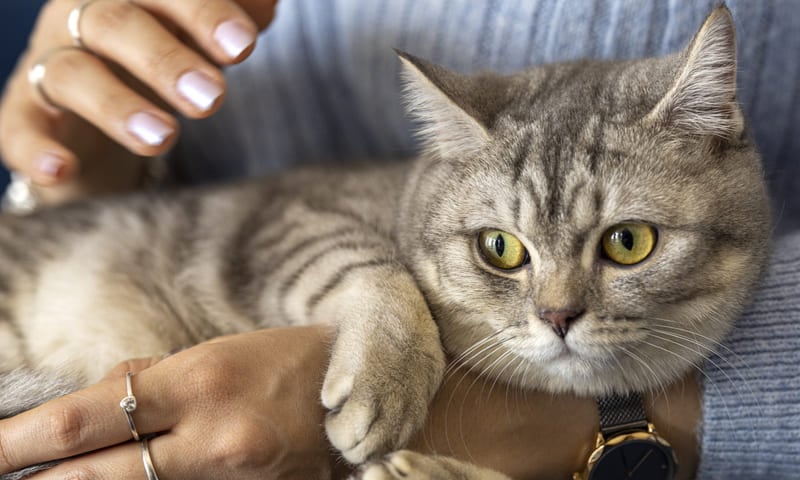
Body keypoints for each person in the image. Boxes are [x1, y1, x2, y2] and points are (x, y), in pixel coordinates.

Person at [0, 0, 797, 478]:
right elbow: (264, 219)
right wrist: (78, 164)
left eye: (624, 243)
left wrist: (601, 425)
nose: (556, 309)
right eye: (504, 252)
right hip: (88, 266)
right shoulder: (427, 210)